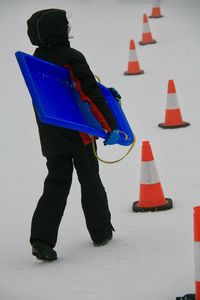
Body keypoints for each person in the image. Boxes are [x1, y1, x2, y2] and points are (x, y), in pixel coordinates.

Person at [27, 8, 120, 261]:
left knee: (56, 184)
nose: (68, 30)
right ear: (58, 31)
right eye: (65, 26)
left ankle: (42, 240)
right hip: (80, 133)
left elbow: (64, 90)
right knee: (90, 180)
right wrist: (111, 125)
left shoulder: (36, 60)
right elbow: (88, 91)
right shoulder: (71, 56)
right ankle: (101, 232)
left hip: (51, 135)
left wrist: (106, 92)